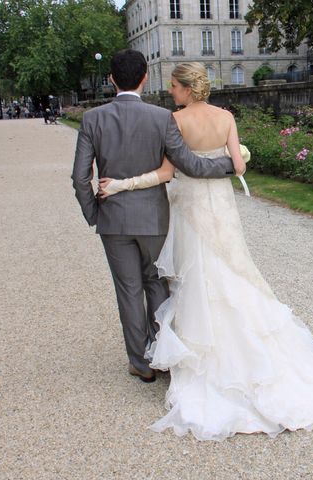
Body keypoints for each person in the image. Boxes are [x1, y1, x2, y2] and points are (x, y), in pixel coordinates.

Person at [98, 62, 313, 441]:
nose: (171, 92)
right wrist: (222, 163)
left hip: (188, 207)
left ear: (186, 88)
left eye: (174, 87)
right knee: (232, 268)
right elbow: (237, 165)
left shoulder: (176, 120)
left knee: (192, 275)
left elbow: (169, 172)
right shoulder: (227, 117)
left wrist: (120, 185)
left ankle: (199, 355)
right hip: (220, 206)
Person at [71, 50, 236, 385]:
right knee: (157, 282)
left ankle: (140, 362)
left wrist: (94, 213)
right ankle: (163, 356)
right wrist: (230, 164)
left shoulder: (92, 118)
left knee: (128, 290)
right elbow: (190, 165)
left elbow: (79, 177)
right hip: (153, 219)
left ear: (111, 79)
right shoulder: (162, 118)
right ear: (145, 77)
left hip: (113, 221)